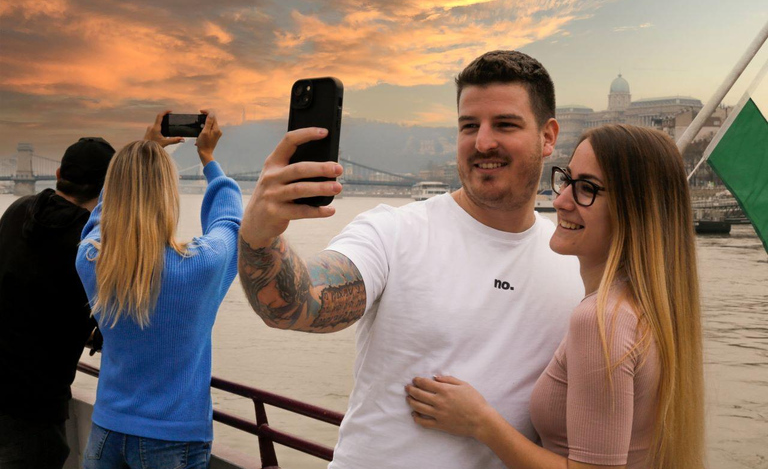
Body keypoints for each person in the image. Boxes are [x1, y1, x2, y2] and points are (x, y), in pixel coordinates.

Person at [238, 50, 584, 469]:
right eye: (468, 125)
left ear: (548, 137)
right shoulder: (394, 232)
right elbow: (296, 304)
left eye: (505, 124)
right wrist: (259, 236)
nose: (483, 142)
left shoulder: (576, 262)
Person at [405, 124, 704, 469]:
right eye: (566, 180)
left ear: (635, 211)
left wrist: (480, 421)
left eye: (587, 189)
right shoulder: (655, 309)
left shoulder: (600, 319)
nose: (560, 201)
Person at [75, 112, 243, 469]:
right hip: (172, 441)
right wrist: (209, 159)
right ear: (169, 194)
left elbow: (98, 221)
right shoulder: (199, 264)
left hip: (106, 431)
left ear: (114, 192)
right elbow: (230, 221)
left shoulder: (91, 259)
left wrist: (142, 153)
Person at [0, 137, 115, 469]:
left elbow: (29, 293)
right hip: (35, 407)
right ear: (109, 188)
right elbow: (114, 324)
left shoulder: (17, 211)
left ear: (58, 172)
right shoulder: (89, 245)